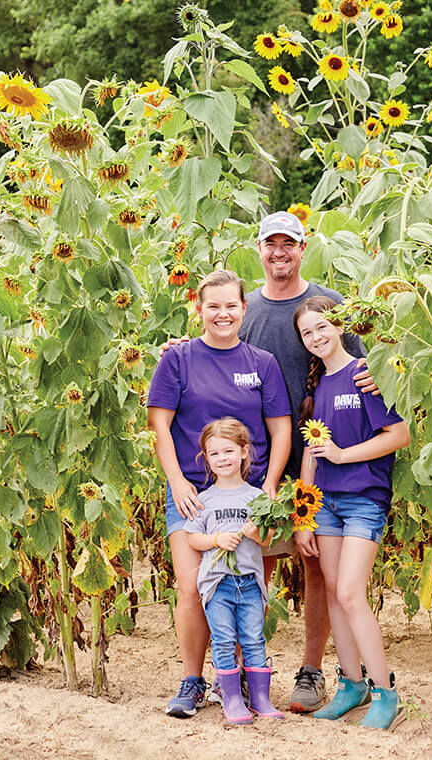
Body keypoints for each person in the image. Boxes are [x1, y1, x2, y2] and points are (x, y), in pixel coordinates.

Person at [161, 210, 378, 712]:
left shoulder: (325, 303)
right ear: (259, 250)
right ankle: (232, 673)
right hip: (261, 466)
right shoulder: (247, 306)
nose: (280, 252)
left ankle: (311, 670)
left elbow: (360, 360)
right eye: (270, 244)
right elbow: (220, 350)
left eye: (290, 243)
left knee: (318, 567)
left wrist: (374, 376)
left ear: (304, 249)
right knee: (248, 561)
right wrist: (179, 347)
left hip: (322, 457)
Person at [147, 269, 292, 717]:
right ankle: (192, 680)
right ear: (200, 309)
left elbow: (281, 429)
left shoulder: (261, 362)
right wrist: (176, 481)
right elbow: (160, 424)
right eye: (213, 306)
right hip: (194, 491)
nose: (223, 313)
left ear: (244, 309)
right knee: (192, 587)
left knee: (249, 587)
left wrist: (268, 488)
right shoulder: (179, 359)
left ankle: (245, 682)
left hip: (250, 494)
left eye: (231, 305)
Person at [293, 296, 410, 730]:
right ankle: (351, 685)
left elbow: (399, 435)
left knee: (350, 593)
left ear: (339, 326)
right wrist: (304, 515)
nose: (316, 336)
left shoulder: (365, 374)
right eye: (307, 333)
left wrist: (343, 457)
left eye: (322, 327)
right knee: (333, 591)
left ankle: (385, 692)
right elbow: (311, 454)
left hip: (364, 499)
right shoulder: (317, 386)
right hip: (326, 506)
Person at [183, 418, 285, 725]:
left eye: (228, 451)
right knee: (224, 639)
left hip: (250, 582)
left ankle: (261, 699)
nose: (222, 459)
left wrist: (255, 534)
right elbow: (192, 537)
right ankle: (231, 700)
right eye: (214, 454)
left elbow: (267, 540)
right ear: (206, 459)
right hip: (218, 585)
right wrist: (216, 540)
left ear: (244, 452)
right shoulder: (204, 500)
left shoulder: (256, 497)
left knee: (254, 638)